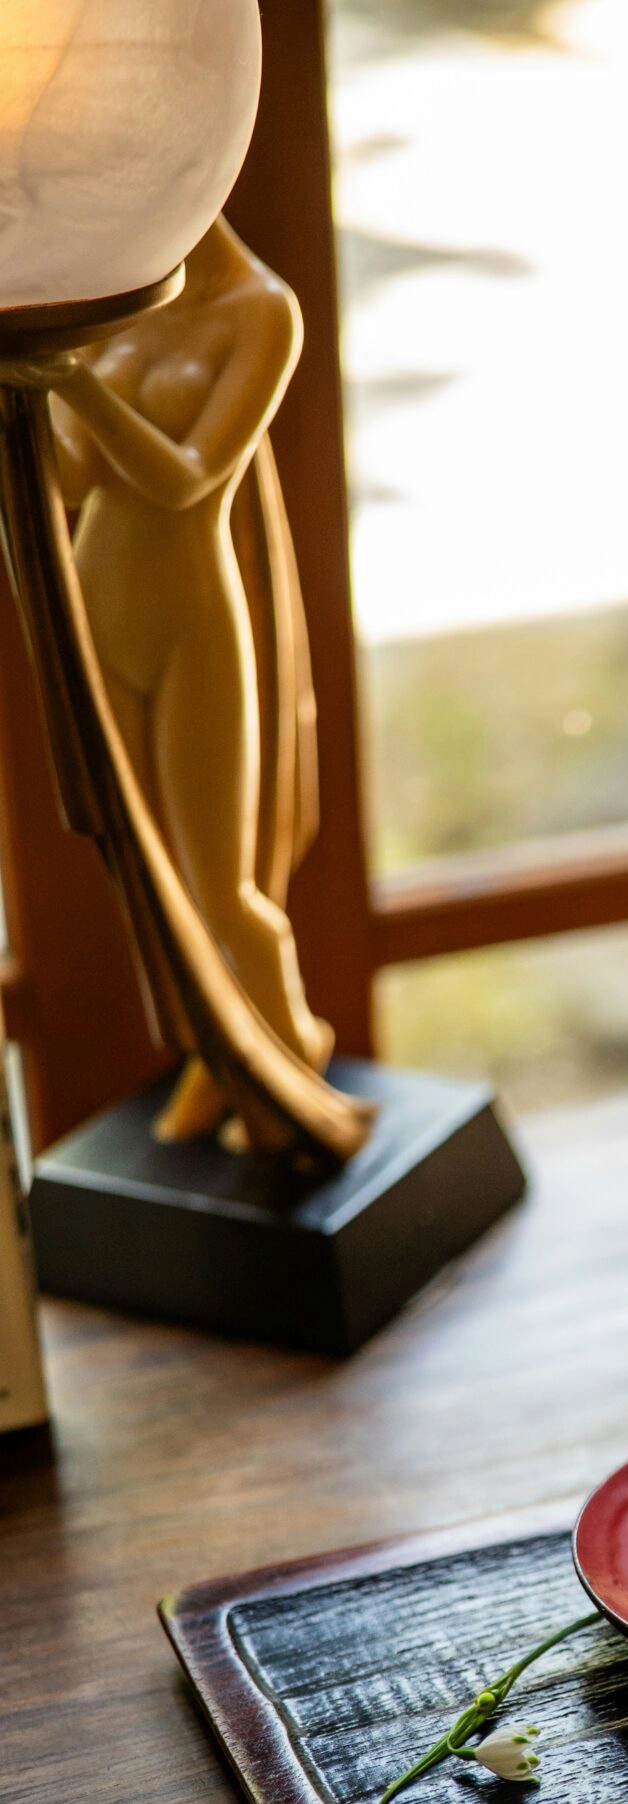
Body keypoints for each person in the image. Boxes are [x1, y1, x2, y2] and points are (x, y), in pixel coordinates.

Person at [10, 218, 330, 1138]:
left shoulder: (262, 313)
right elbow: (76, 481)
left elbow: (187, 480)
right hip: (98, 608)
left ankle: (289, 1048)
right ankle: (217, 1053)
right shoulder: (120, 309)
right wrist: (35, 397)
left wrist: (77, 382)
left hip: (191, 617)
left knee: (224, 885)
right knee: (155, 882)